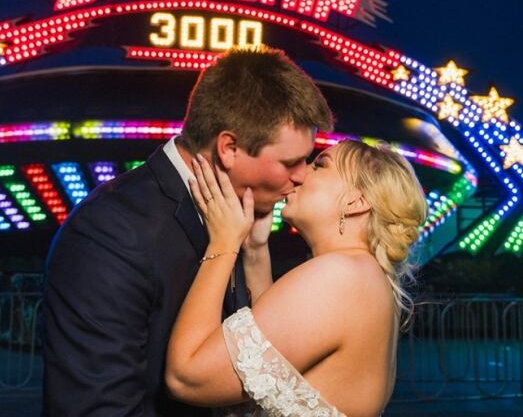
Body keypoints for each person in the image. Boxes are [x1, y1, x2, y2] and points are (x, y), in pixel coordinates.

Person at [43, 46, 333, 415]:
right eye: (290, 161)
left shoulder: (244, 217)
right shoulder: (112, 230)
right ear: (228, 147)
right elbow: (99, 406)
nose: (302, 175)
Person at [166, 140, 428, 417]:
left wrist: (222, 243)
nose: (301, 174)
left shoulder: (340, 275)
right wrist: (255, 249)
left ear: (356, 200)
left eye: (320, 165)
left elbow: (187, 377)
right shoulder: (363, 274)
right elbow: (272, 351)